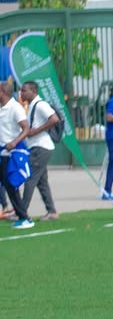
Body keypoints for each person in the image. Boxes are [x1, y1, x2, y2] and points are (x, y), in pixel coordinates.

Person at [21, 81, 60, 221]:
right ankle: (52, 211)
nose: (21, 93)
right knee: (41, 181)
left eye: (24, 90)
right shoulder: (31, 106)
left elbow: (54, 119)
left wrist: (35, 131)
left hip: (41, 147)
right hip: (38, 146)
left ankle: (22, 212)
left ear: (33, 91)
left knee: (30, 179)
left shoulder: (40, 105)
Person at [0, 82, 32, 229]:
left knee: (11, 185)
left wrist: (14, 142)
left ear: (2, 92)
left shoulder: (15, 108)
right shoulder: (2, 108)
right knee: (8, 186)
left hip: (10, 153)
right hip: (2, 152)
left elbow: (26, 129)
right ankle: (20, 215)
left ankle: (24, 217)